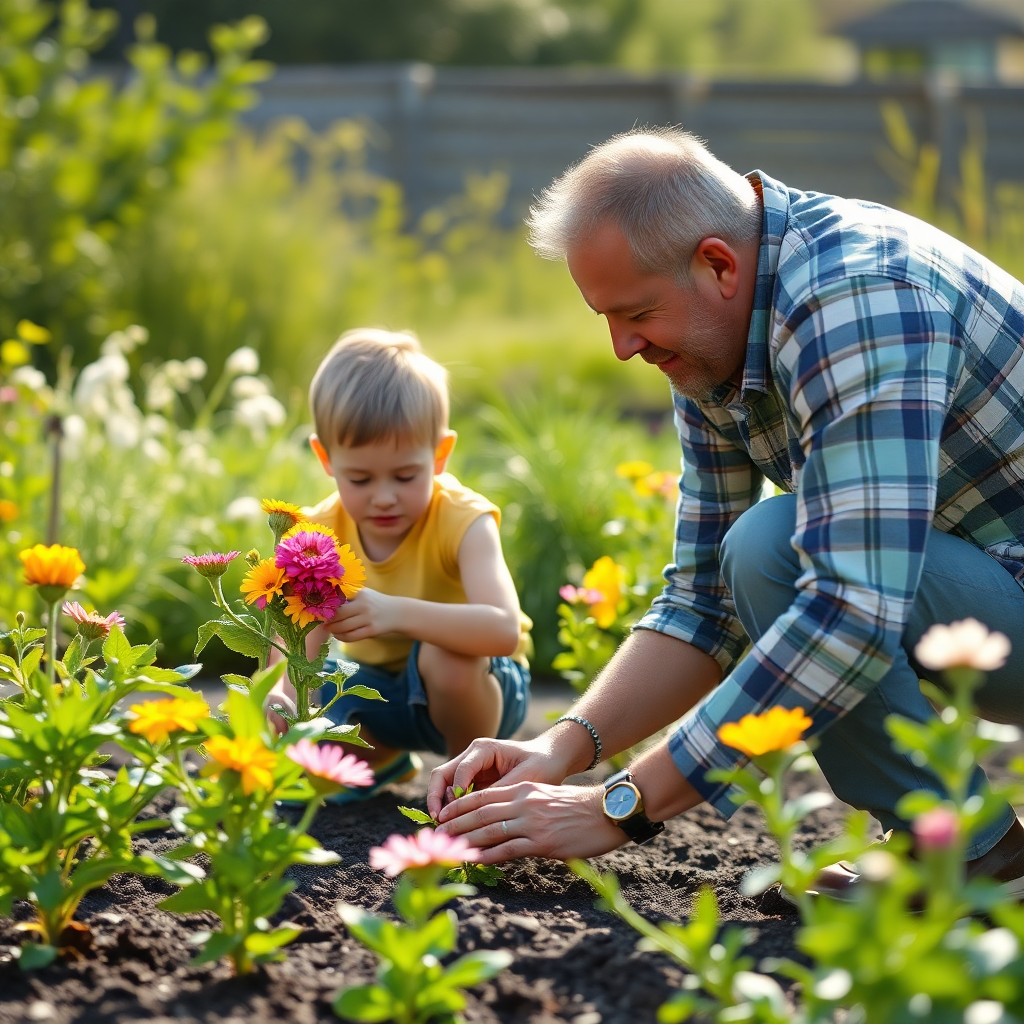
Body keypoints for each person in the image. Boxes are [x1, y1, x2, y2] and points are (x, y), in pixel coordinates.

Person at [427, 128, 1024, 897]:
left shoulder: (857, 300)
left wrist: (620, 807)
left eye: (637, 312)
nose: (621, 347)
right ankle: (967, 848)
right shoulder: (718, 342)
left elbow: (850, 612)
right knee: (760, 549)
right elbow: (703, 600)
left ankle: (965, 853)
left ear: (718, 263)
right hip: (996, 597)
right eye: (605, 317)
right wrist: (561, 749)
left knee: (777, 545)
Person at [267, 328, 532, 799]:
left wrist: (394, 612)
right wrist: (281, 692)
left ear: (440, 455)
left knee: (446, 657)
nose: (384, 497)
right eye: (360, 478)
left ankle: (471, 780)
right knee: (313, 705)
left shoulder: (464, 520)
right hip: (376, 692)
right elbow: (297, 641)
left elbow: (503, 630)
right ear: (326, 458)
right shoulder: (316, 533)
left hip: (476, 693)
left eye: (406, 475)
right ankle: (380, 758)